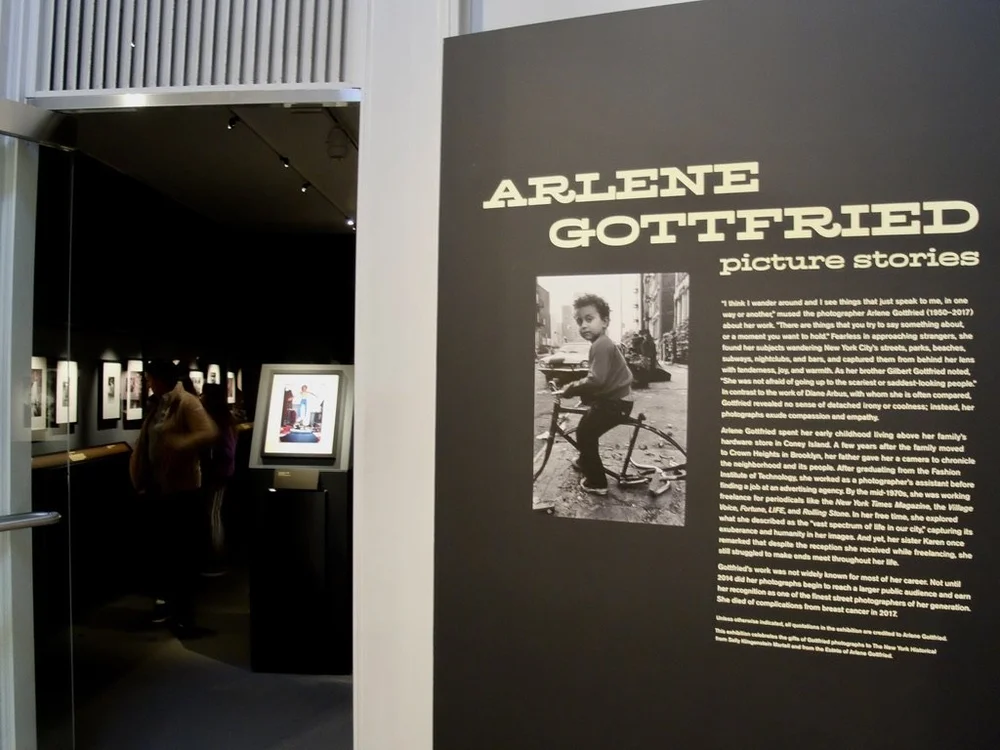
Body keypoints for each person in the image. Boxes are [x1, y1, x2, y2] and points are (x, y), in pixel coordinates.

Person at [130, 360, 219, 638]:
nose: (148, 383)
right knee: (165, 553)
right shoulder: (157, 403)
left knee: (183, 554)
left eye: (150, 378)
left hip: (182, 491)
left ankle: (184, 616)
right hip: (159, 489)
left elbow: (208, 432)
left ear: (160, 378)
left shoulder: (186, 402)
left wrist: (180, 444)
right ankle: (170, 607)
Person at [558, 294, 633, 496]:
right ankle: (585, 460)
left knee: (585, 433)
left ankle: (597, 482)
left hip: (616, 404)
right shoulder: (602, 343)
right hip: (616, 401)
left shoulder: (601, 345)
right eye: (579, 321)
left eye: (589, 319)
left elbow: (596, 380)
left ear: (605, 321)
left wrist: (572, 388)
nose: (583, 325)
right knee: (587, 425)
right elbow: (599, 376)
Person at [200, 383, 237, 576]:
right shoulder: (225, 419)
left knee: (213, 514)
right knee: (213, 513)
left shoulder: (218, 422)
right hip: (220, 473)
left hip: (217, 474)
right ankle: (214, 557)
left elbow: (226, 451)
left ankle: (216, 559)